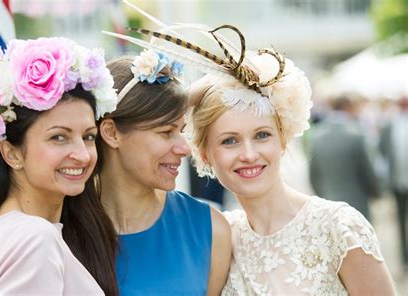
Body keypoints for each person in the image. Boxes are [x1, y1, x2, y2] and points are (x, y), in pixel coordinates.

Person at [149, 25, 395, 294]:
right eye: (229, 140)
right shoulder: (219, 238)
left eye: (262, 135)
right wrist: (191, 95)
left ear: (283, 139)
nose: (249, 154)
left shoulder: (338, 228)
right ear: (205, 153)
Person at [0, 37, 119, 295]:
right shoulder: (34, 239)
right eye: (58, 137)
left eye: (88, 136)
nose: (83, 155)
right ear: (11, 153)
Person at [96, 49, 231, 295]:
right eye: (166, 132)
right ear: (112, 133)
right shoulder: (62, 229)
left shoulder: (211, 231)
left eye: (181, 130)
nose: (184, 148)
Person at [309, 96, 379, 221]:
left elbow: (313, 174)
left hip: (328, 206)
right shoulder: (357, 136)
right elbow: (368, 172)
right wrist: (376, 193)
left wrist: (322, 197)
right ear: (348, 107)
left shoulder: (316, 137)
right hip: (357, 205)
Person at [380, 96, 408, 269]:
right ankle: (405, 258)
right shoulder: (390, 126)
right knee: (400, 221)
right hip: (398, 182)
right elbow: (383, 150)